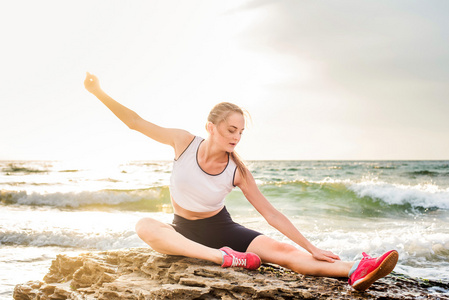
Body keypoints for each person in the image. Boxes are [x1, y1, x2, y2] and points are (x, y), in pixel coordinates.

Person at [84, 72, 398, 291]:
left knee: (284, 253)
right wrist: (98, 92)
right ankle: (224, 258)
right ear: (211, 127)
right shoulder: (183, 142)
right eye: (231, 129)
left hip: (222, 228)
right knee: (144, 226)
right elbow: (135, 122)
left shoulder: (237, 171)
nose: (236, 136)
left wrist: (310, 246)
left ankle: (356, 268)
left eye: (241, 132)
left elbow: (271, 214)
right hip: (182, 230)